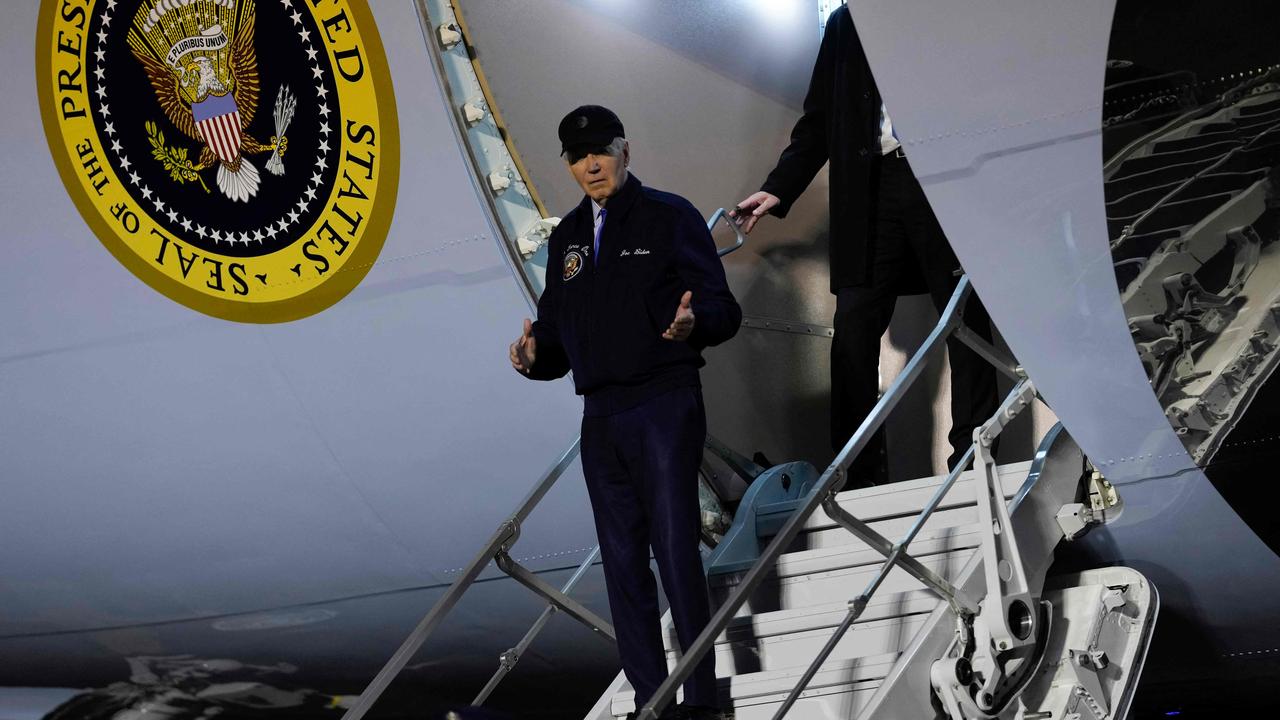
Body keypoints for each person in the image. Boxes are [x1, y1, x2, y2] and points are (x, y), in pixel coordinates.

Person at [509, 105, 740, 720]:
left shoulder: (669, 216)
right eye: (578, 155)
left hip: (663, 402)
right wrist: (534, 356)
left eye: (601, 151)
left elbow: (724, 309)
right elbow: (556, 336)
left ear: (625, 150)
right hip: (601, 417)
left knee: (674, 548)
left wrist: (694, 324)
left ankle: (698, 699)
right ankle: (650, 701)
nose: (591, 164)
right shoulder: (566, 240)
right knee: (620, 563)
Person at [730, 4, 998, 479]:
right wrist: (778, 187)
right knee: (854, 329)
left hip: (941, 180)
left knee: (964, 314)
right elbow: (818, 121)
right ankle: (857, 469)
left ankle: (976, 454)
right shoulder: (843, 23)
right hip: (867, 191)